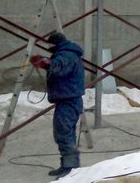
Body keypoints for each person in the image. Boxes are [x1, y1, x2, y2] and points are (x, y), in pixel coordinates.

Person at [30, 31, 85, 178]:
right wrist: (45, 62)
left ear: (55, 44)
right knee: (64, 133)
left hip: (69, 101)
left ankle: (70, 167)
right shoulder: (67, 53)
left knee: (64, 133)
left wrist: (44, 62)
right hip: (67, 100)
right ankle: (67, 165)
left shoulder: (66, 55)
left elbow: (58, 66)